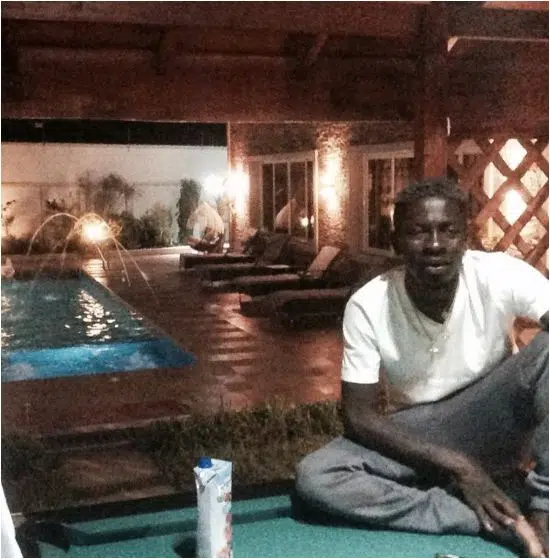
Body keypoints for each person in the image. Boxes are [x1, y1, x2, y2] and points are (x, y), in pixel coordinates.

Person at [295, 177, 549, 557]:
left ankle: (544, 513)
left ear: (466, 237)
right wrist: (461, 468)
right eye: (417, 232)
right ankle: (496, 517)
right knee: (317, 476)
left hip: (496, 419)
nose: (434, 244)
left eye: (448, 230)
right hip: (421, 436)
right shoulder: (368, 304)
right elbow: (359, 416)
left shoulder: (500, 274)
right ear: (396, 241)